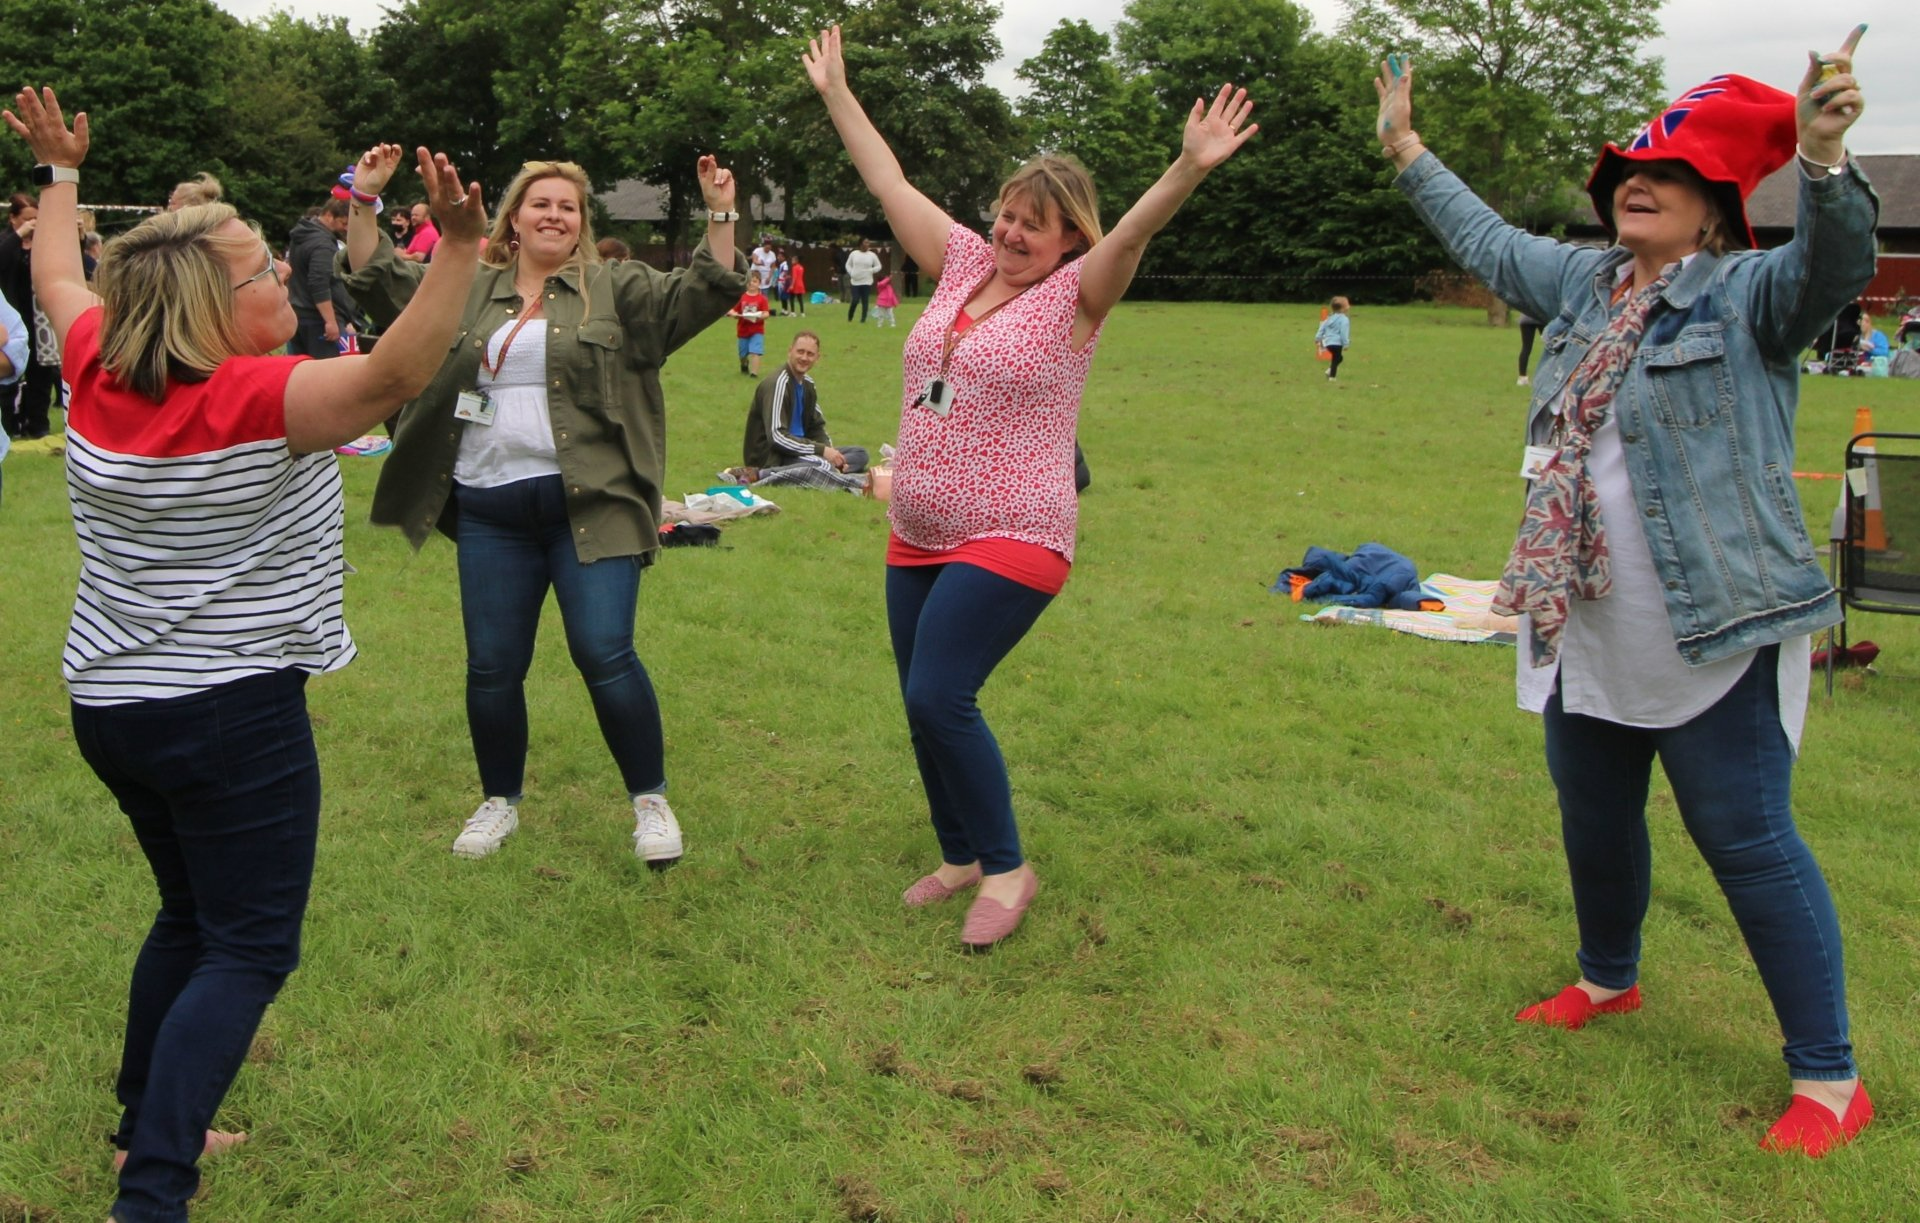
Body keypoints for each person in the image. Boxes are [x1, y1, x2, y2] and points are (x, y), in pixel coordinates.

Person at [1375, 27, 1876, 1157]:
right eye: (1624, 175)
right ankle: (1609, 979)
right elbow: (1490, 240)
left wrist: (1827, 162)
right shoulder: (1587, 281)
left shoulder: (1751, 294)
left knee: (1745, 838)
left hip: (1714, 623)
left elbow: (1834, 271)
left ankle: (1831, 1077)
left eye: (1671, 177)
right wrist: (1407, 148)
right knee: (1592, 813)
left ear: (1718, 209)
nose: (1636, 185)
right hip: (1581, 615)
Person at [5, 86, 487, 1223]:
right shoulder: (256, 399)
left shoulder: (98, 367)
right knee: (251, 947)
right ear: (211, 308)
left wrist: (61, 173)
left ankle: (144, 1127)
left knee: (190, 918)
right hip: (228, 715)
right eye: (266, 269)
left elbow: (64, 280)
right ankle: (155, 1193)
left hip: (112, 705)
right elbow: (392, 377)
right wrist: (459, 251)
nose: (286, 277)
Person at [805, 25, 1256, 948]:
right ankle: (959, 852)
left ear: (1068, 240)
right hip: (919, 526)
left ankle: (1008, 870)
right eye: (1007, 214)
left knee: (941, 695)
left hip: (1017, 528)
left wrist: (1188, 166)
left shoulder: (1079, 296)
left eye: (1032, 225)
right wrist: (839, 93)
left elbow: (1134, 229)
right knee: (917, 698)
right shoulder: (964, 264)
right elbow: (890, 185)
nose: (1011, 232)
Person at [343, 149, 746, 865]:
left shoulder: (614, 287)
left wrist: (720, 212)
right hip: (490, 509)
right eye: (541, 203)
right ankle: (499, 801)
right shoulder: (466, 281)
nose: (554, 214)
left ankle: (650, 801)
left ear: (581, 222)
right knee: (493, 665)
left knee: (604, 651)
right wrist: (365, 200)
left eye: (568, 205)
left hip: (594, 503)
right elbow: (379, 278)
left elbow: (707, 289)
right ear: (515, 219)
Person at [729, 329, 868, 492]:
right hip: (773, 455)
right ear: (790, 351)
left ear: (817, 358)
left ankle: (833, 471)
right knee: (822, 465)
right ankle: (759, 474)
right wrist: (821, 451)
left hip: (801, 449)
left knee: (860, 453)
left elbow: (816, 426)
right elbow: (777, 437)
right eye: (800, 352)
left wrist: (830, 451)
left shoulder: (808, 384)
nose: (804, 358)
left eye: (810, 354)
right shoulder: (778, 384)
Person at [0, 191, 58, 437]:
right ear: (13, 218)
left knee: (41, 375)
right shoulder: (6, 241)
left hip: (38, 320)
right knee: (11, 380)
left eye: (36, 218)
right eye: (26, 218)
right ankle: (11, 424)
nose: (32, 224)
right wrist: (18, 236)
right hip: (13, 312)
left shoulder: (44, 243)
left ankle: (38, 424)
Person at [286, 198, 361, 360]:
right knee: (332, 372)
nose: (346, 228)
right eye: (343, 222)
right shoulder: (322, 244)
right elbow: (319, 283)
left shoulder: (302, 234)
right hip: (320, 320)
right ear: (328, 215)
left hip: (299, 313)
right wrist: (330, 321)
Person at [730, 280, 771, 376]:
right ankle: (744, 364)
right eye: (750, 282)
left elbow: (766, 313)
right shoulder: (742, 297)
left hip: (757, 330)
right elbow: (732, 310)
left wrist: (760, 317)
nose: (752, 284)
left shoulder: (762, 299)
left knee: (755, 352)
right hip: (743, 329)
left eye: (755, 281)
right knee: (743, 354)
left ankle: (754, 373)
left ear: (759, 284)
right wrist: (734, 314)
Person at [843, 237, 881, 322]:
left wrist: (871, 270)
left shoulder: (872, 255)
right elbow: (848, 265)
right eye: (866, 242)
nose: (868, 244)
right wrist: (851, 272)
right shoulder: (854, 254)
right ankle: (850, 317)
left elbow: (878, 266)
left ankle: (863, 320)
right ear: (860, 244)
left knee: (865, 301)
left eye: (868, 243)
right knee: (855, 300)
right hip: (855, 281)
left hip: (866, 281)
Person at [1314, 296, 1350, 381]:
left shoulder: (1329, 318)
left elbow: (1322, 327)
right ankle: (1332, 377)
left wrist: (1318, 337)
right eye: (1347, 305)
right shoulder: (1344, 319)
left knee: (1338, 358)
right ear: (1343, 308)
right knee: (1336, 359)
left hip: (1328, 343)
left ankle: (1330, 371)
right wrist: (1346, 343)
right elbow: (1344, 333)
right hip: (1337, 343)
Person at [1514, 309, 1541, 386]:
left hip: (1525, 318)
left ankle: (1522, 377)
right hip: (1541, 318)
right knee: (1550, 347)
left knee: (1526, 347)